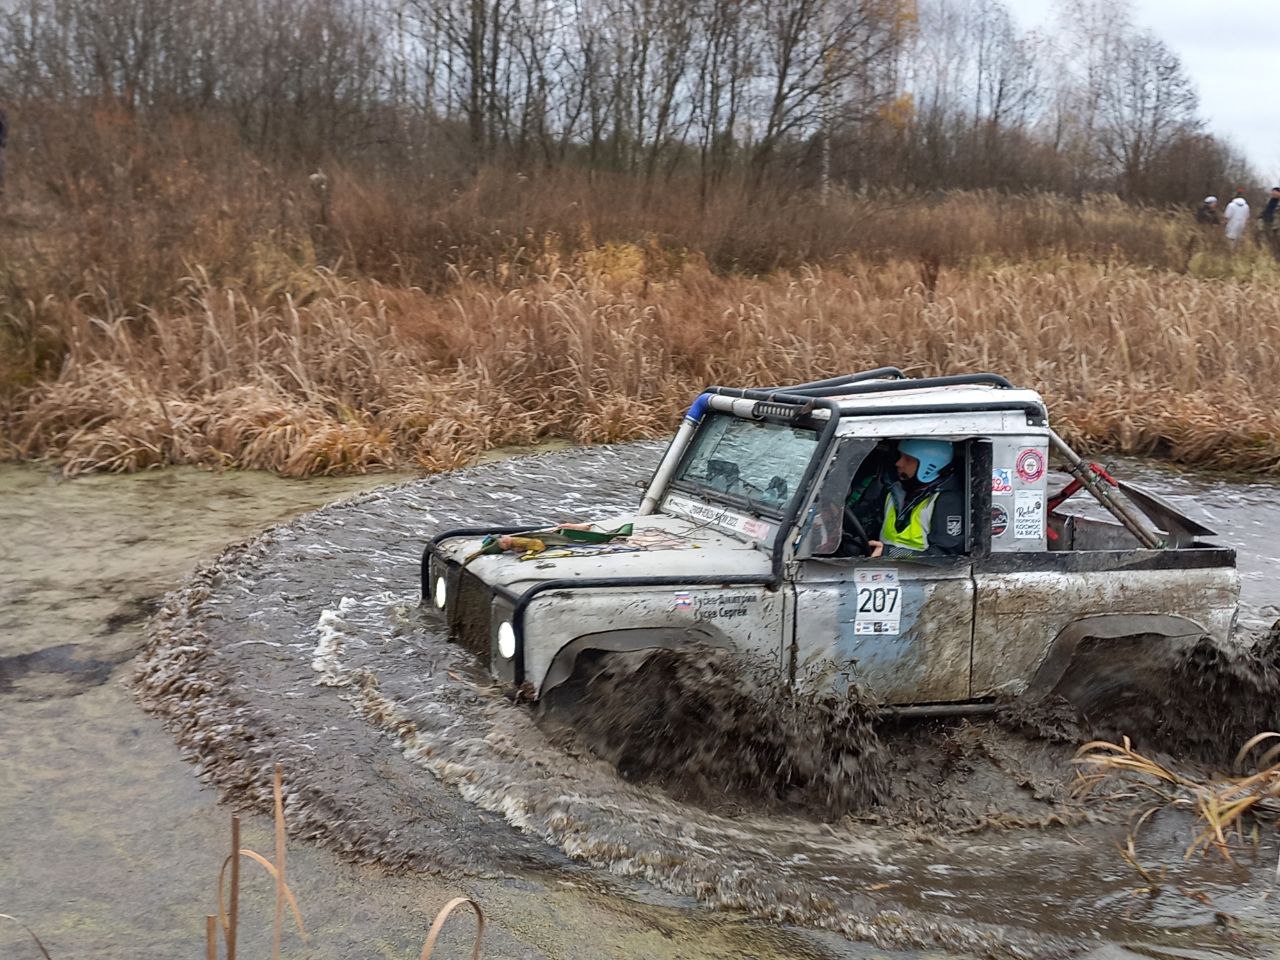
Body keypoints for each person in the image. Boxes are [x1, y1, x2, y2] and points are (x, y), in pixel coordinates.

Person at [867, 439, 965, 558]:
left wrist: (890, 553)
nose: (899, 463)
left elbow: (945, 556)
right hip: (884, 569)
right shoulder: (894, 490)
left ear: (929, 465)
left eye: (908, 459)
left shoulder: (947, 501)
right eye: (900, 456)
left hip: (923, 573)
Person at [1261, 187, 1280, 254]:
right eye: (1272, 192)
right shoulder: (1269, 201)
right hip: (1268, 223)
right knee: (1268, 240)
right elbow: (1265, 210)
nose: (1273, 194)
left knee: (1277, 241)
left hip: (1277, 225)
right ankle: (1270, 253)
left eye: (1275, 192)